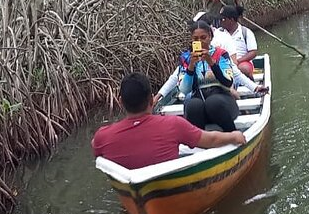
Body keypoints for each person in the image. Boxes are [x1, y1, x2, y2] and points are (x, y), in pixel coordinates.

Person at [92, 73, 245, 170]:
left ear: (120, 102)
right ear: (152, 100)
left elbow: (95, 149)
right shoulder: (174, 125)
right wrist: (234, 136)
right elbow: (210, 140)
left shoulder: (101, 137)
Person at [220, 5, 257, 78]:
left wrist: (237, 61)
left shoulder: (246, 32)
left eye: (223, 19)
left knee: (244, 68)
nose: (221, 21)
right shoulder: (218, 33)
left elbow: (253, 52)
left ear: (231, 20)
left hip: (241, 62)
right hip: (223, 63)